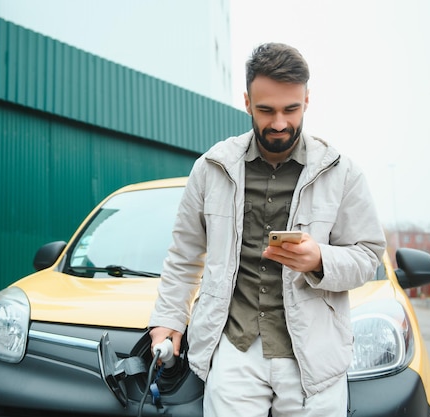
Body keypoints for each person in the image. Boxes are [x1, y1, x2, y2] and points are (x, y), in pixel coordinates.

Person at [148, 43, 387, 417]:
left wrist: (320, 260)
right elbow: (184, 254)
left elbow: (368, 255)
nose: (278, 123)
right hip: (233, 351)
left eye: (291, 109)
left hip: (314, 359)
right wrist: (168, 320)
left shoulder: (343, 173)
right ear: (246, 102)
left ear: (307, 100)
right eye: (266, 110)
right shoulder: (211, 168)